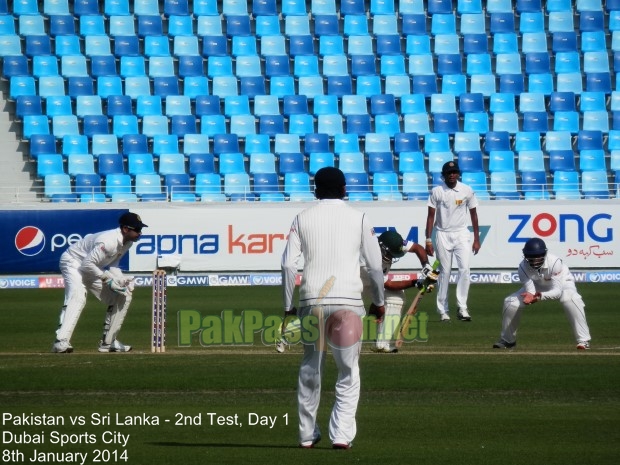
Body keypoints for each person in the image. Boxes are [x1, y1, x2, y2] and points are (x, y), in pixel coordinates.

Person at [281, 167, 385, 450]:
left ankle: (306, 434)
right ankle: (340, 434)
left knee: (310, 368)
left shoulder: (302, 217)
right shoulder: (359, 217)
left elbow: (289, 264)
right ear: (343, 189)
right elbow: (375, 266)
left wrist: (288, 306)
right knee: (348, 370)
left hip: (311, 299)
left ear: (315, 190)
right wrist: (379, 302)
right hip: (348, 302)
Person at [51, 212, 147, 354]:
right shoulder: (108, 241)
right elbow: (86, 264)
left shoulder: (128, 243)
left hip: (92, 267)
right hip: (73, 262)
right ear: (125, 229)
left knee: (123, 294)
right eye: (137, 230)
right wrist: (108, 280)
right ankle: (60, 341)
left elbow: (113, 265)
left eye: (141, 230)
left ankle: (108, 342)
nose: (140, 233)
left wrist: (122, 280)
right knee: (78, 296)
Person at [493, 237, 592, 350]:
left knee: (570, 299)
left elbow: (557, 292)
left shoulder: (555, 262)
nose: (535, 260)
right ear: (525, 255)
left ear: (544, 253)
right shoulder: (522, 267)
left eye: (538, 256)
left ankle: (584, 340)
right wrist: (531, 295)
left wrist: (540, 296)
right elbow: (530, 291)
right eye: (531, 257)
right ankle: (508, 340)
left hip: (562, 283)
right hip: (537, 284)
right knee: (510, 302)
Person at [361, 230, 437, 353]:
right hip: (355, 285)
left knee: (396, 297)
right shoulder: (367, 258)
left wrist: (426, 265)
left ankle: (381, 343)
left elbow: (417, 248)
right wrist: (416, 282)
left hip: (374, 283)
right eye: (390, 254)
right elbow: (389, 284)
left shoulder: (394, 242)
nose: (392, 257)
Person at [425, 161, 480, 322]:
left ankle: (462, 307)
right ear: (443, 175)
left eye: (454, 172)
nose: (452, 175)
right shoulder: (437, 191)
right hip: (442, 234)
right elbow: (430, 217)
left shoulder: (466, 190)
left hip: (462, 233)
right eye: (448, 172)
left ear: (458, 173)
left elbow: (474, 215)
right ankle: (443, 309)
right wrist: (428, 240)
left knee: (464, 270)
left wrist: (476, 239)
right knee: (445, 272)